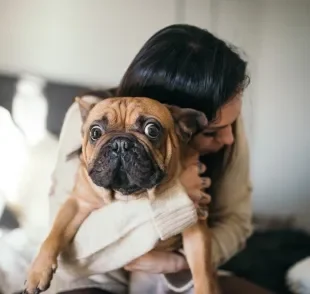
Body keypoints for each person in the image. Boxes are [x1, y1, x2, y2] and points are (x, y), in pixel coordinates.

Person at [48, 24, 272, 294]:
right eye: (211, 131)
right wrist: (173, 198)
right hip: (95, 279)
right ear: (176, 121)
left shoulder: (224, 118)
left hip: (186, 271)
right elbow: (68, 256)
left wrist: (176, 263)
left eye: (232, 125)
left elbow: (236, 221)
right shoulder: (91, 116)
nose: (229, 140)